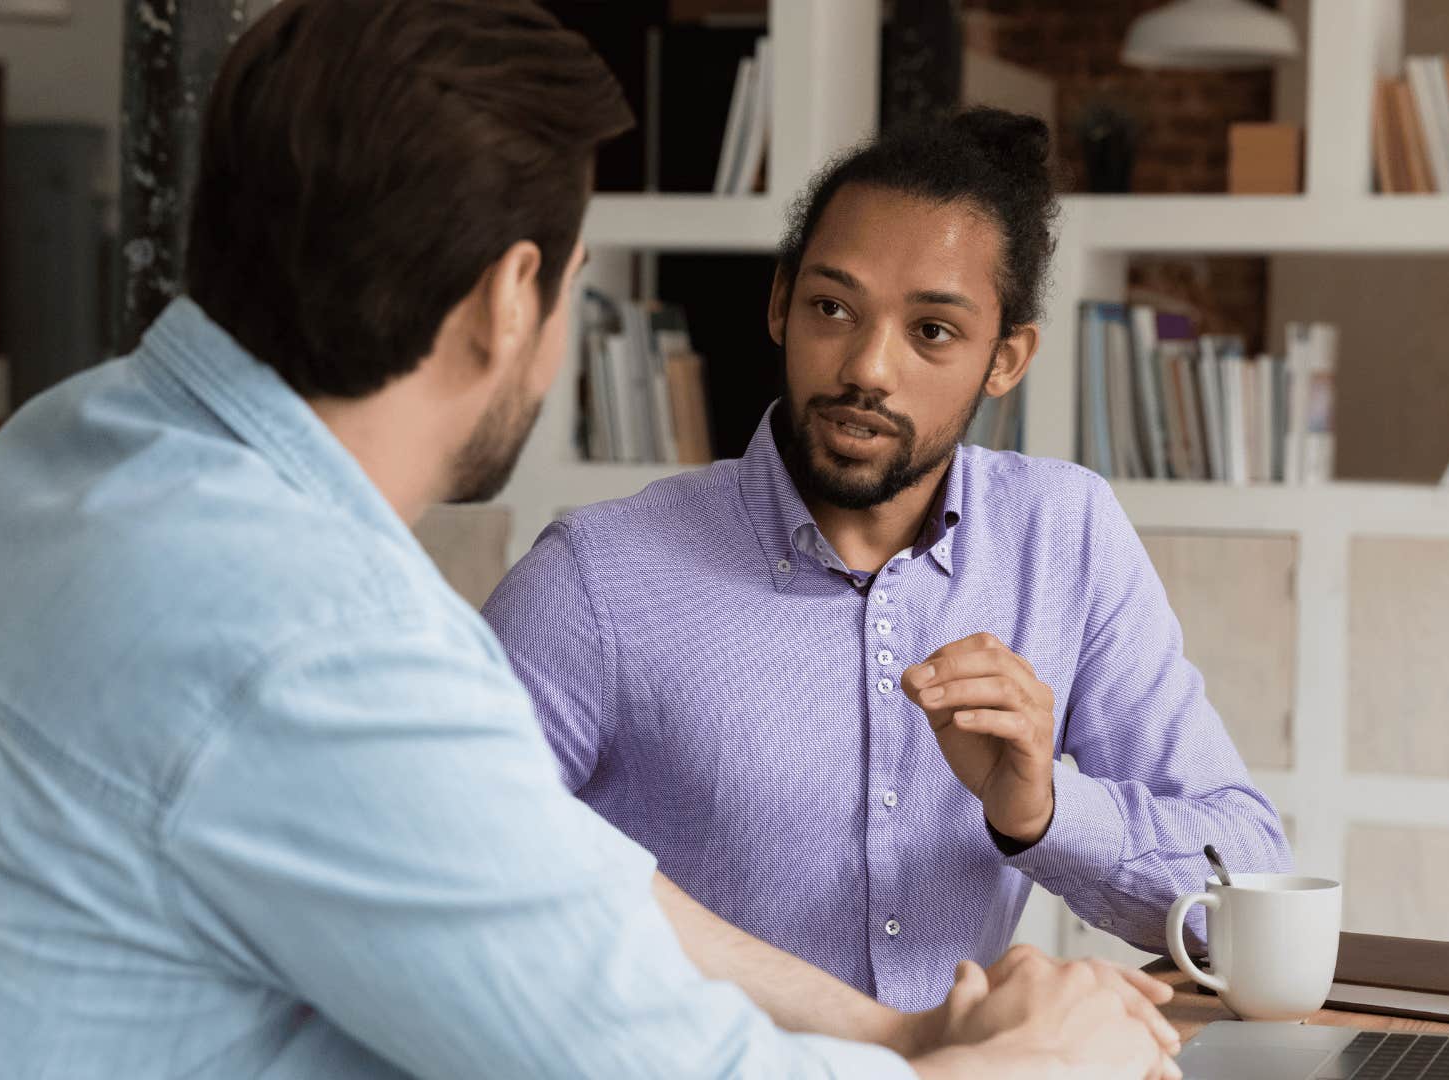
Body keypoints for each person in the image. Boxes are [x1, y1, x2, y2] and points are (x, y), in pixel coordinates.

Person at [0, 3, 1183, 1077]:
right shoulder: (317, 646)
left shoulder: (77, 442)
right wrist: (1028, 1064)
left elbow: (546, 880)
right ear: (512, 298)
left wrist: (898, 1032)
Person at [484, 106, 1293, 1011]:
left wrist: (1043, 814)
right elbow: (449, 889)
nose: (868, 366)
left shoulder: (1063, 537)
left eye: (933, 332)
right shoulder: (594, 578)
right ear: (781, 302)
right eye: (834, 308)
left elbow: (1251, 892)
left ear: (1006, 359)